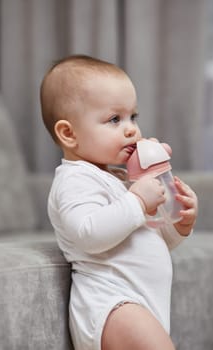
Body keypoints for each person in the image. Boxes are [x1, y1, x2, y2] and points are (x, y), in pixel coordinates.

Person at [40, 55, 198, 350]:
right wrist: (137, 200)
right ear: (68, 133)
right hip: (112, 302)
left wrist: (179, 225)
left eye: (133, 117)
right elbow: (89, 234)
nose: (131, 130)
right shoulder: (75, 179)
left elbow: (144, 237)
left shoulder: (118, 179)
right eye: (115, 119)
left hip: (141, 301)